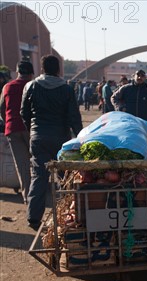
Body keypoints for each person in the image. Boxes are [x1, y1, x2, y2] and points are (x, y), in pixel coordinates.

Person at [21, 55, 82, 230]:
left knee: (39, 176)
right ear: (58, 70)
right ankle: (69, 215)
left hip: (38, 137)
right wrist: (80, 137)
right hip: (61, 139)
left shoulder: (30, 86)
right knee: (65, 178)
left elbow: (23, 112)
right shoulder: (66, 89)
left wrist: (32, 131)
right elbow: (74, 117)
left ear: (42, 69)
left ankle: (33, 218)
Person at [0, 60, 34, 203]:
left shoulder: (7, 87)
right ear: (32, 74)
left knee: (22, 165)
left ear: (17, 72)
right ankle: (39, 192)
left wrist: (8, 121)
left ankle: (27, 197)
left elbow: (2, 109)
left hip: (12, 129)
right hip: (31, 129)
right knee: (37, 162)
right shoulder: (33, 86)